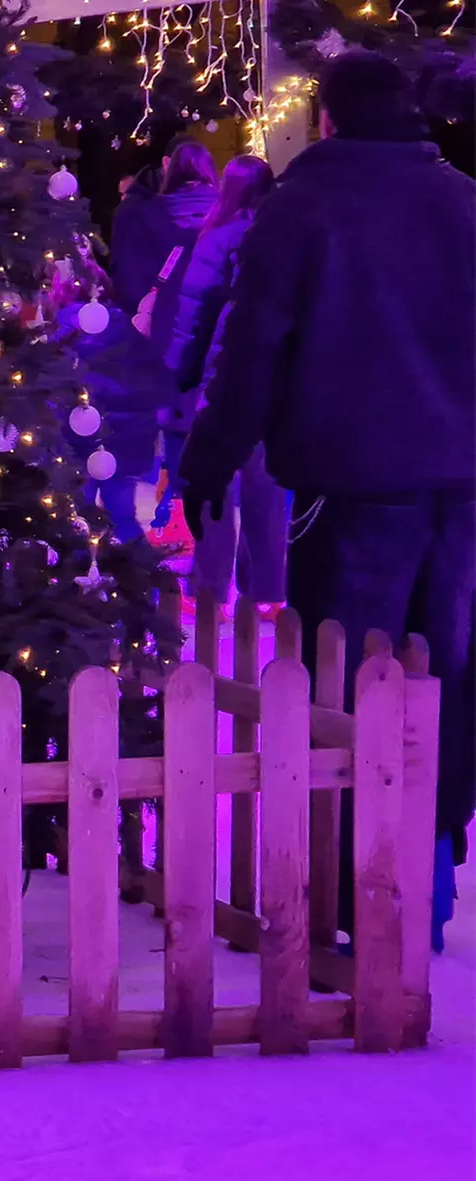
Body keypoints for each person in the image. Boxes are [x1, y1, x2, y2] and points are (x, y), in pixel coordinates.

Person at [179, 50, 476, 948]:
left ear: (331, 120)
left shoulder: (302, 208)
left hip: (348, 480)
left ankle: (358, 891)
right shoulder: (464, 200)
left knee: (344, 687)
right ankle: (425, 868)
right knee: (445, 674)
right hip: (461, 483)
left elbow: (252, 352)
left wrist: (209, 462)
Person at [159, 154, 282, 613]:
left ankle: (210, 589)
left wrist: (178, 373)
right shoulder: (284, 235)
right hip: (273, 374)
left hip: (222, 375)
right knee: (264, 483)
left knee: (213, 480)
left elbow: (194, 314)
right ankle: (268, 590)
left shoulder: (218, 238)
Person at [42, 253, 172, 541]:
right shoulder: (127, 329)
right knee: (123, 513)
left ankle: (77, 575)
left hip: (77, 445)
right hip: (127, 444)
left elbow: (50, 392)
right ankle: (138, 577)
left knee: (76, 516)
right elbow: (156, 383)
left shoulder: (60, 337)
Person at [109, 139, 218, 314]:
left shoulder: (151, 208)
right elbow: (128, 269)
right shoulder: (141, 209)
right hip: (163, 309)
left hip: (161, 312)